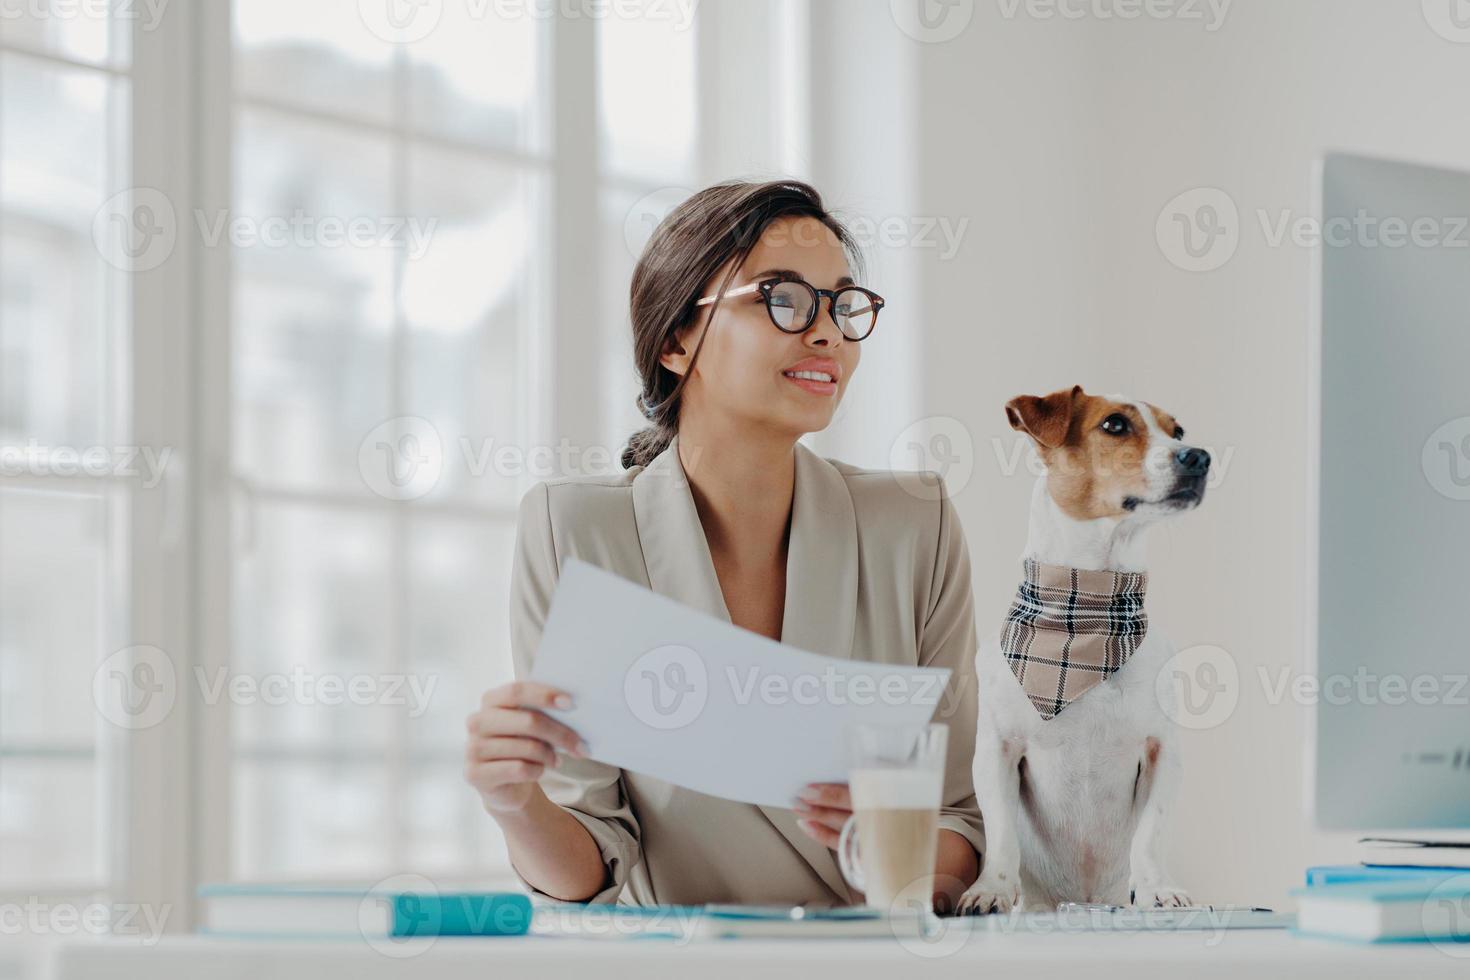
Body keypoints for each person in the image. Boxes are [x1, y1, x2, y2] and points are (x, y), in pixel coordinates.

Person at [463, 179, 983, 910]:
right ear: (678, 340)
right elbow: (591, 863)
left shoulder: (914, 524)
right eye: (783, 297)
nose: (828, 331)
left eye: (842, 302)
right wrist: (515, 802)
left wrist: (894, 843)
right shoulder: (572, 530)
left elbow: (960, 826)